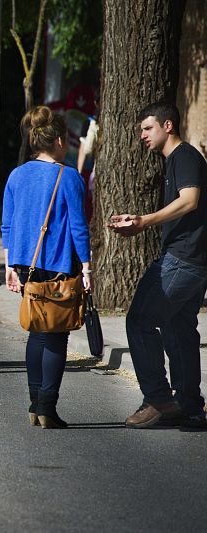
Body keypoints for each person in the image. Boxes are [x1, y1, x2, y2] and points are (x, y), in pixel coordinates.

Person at [108, 102, 207, 430]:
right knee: (179, 330)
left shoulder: (185, 156)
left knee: (139, 320)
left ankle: (159, 399)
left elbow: (190, 199)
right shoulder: (178, 161)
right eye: (140, 130)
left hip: (182, 260)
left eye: (147, 128)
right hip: (193, 261)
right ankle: (190, 408)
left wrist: (143, 221)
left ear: (168, 126)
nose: (142, 135)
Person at [2, 105, 92, 429]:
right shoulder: (68, 177)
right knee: (56, 336)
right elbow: (79, 227)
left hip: (25, 263)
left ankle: (34, 403)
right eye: (66, 140)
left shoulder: (16, 175)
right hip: (58, 263)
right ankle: (47, 407)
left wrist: (10, 264)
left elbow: (8, 224)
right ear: (57, 140)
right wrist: (87, 268)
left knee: (36, 331)